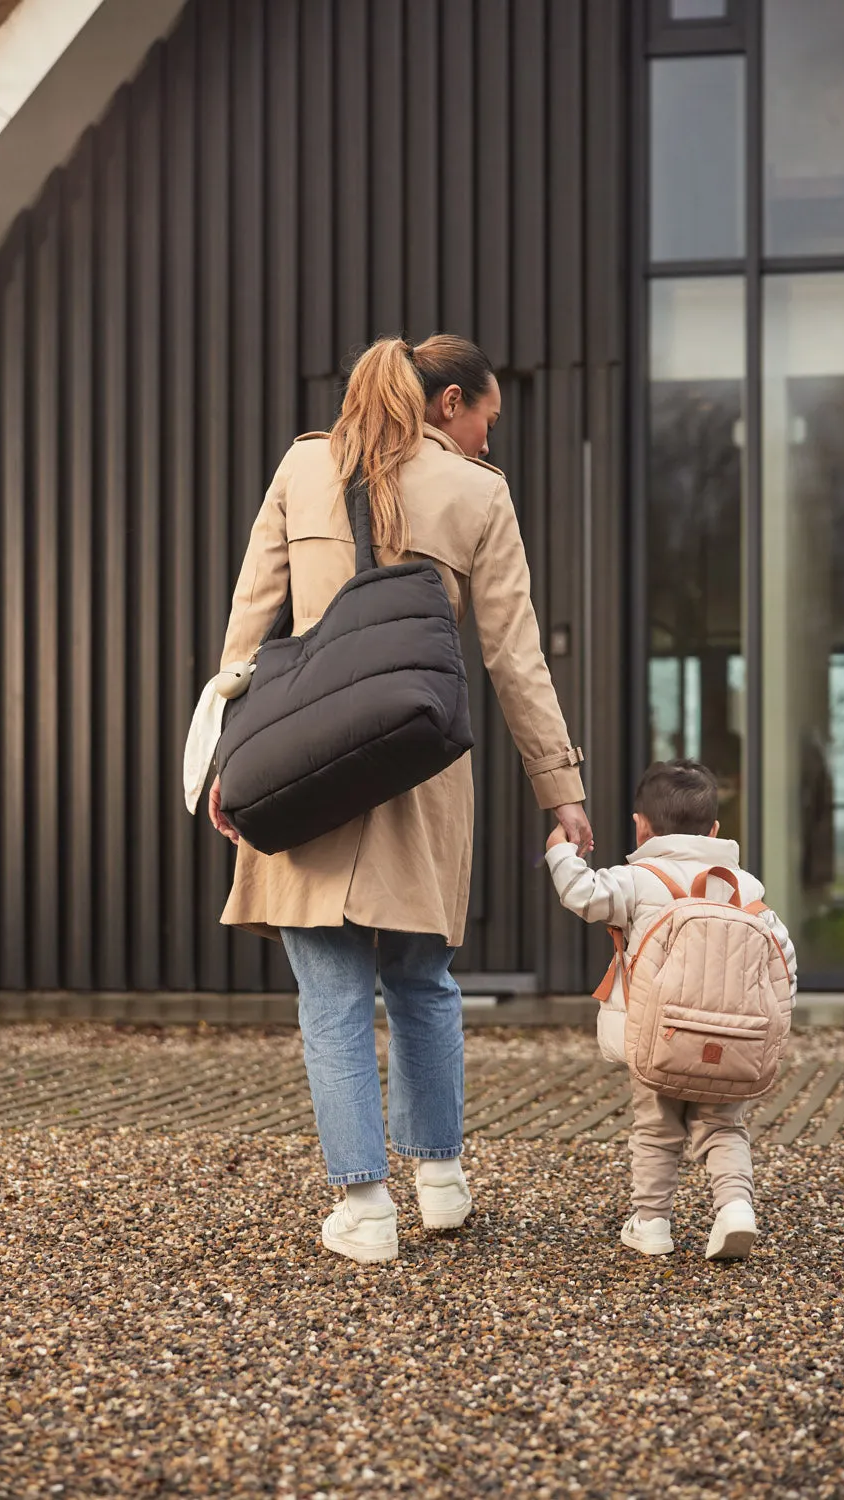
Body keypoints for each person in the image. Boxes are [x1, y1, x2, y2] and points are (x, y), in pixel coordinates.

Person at [208, 334, 592, 1264]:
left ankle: (365, 1206)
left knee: (332, 992)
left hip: (307, 757)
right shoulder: (479, 494)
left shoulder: (306, 465)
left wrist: (228, 758)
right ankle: (444, 1182)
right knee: (424, 980)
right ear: (450, 403)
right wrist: (561, 789)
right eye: (485, 423)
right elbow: (514, 657)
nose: (487, 444)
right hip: (421, 772)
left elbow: (247, 632)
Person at [544, 760, 796, 1260]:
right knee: (724, 1126)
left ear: (641, 824)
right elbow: (781, 959)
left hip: (656, 1038)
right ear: (716, 830)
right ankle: (734, 1207)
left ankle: (653, 1223)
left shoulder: (639, 879)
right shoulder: (744, 886)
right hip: (731, 1042)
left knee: (656, 1130)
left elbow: (582, 894)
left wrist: (559, 851)